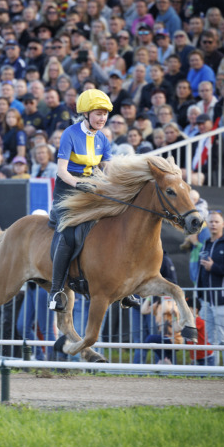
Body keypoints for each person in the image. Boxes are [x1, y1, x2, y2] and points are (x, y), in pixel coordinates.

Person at [48, 89, 139, 312]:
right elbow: (61, 172)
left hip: (92, 186)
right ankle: (56, 291)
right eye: (98, 113)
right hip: (68, 189)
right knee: (69, 233)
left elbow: (108, 169)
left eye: (105, 114)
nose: (102, 118)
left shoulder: (102, 138)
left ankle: (125, 288)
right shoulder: (69, 133)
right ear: (86, 114)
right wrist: (79, 184)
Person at [197, 211, 224, 367]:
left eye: (216, 221)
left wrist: (214, 267)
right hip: (207, 300)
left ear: (223, 224)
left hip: (223, 299)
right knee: (209, 337)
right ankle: (213, 370)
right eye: (210, 222)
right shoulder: (206, 243)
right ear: (207, 224)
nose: (213, 224)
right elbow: (202, 273)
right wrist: (200, 296)